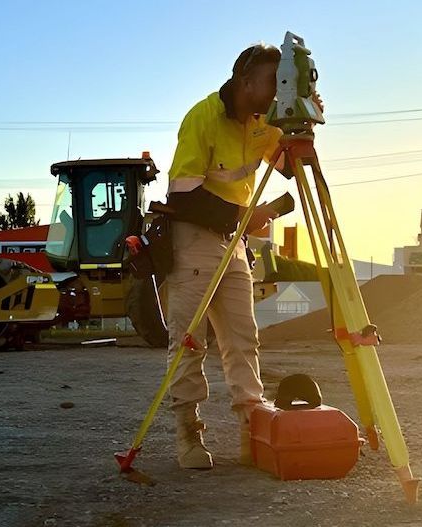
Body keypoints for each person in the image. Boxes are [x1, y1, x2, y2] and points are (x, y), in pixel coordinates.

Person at [164, 43, 285, 469]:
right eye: (273, 81)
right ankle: (188, 436)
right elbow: (182, 196)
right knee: (190, 339)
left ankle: (253, 430)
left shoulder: (265, 121)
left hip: (234, 242)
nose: (277, 90)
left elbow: (288, 164)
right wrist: (243, 215)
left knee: (242, 338)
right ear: (245, 82)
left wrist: (301, 121)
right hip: (193, 237)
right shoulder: (202, 118)